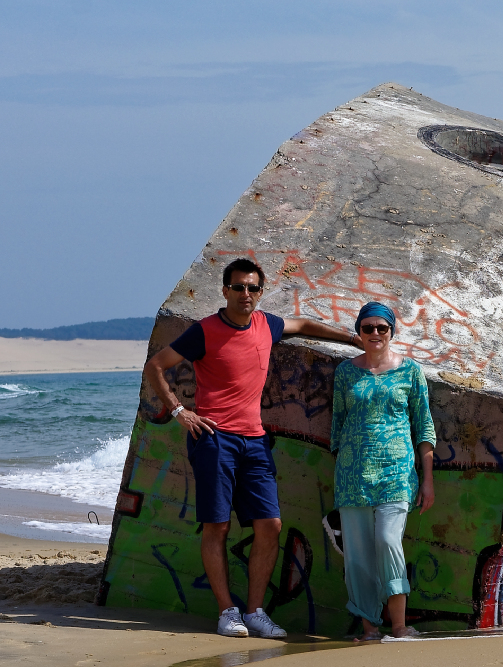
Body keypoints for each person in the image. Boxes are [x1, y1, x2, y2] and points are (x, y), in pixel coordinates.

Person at [143, 257, 360, 638]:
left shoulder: (266, 324)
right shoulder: (205, 331)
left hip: (255, 441)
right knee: (218, 526)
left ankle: (256, 612)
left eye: (253, 288)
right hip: (215, 440)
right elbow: (156, 365)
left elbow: (303, 325)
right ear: (225, 291)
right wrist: (179, 411)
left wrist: (352, 339)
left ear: (260, 292)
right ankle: (227, 612)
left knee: (270, 525)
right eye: (239, 287)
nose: (246, 294)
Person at [331, 302, 436, 640]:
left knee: (389, 542)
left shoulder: (411, 371)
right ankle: (369, 628)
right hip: (353, 477)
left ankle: (400, 626)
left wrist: (428, 479)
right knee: (358, 555)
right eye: (368, 328)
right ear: (359, 332)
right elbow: (338, 425)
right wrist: (342, 467)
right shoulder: (345, 372)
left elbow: (424, 426)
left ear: (392, 331)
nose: (375, 333)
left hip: (397, 474)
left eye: (382, 328)